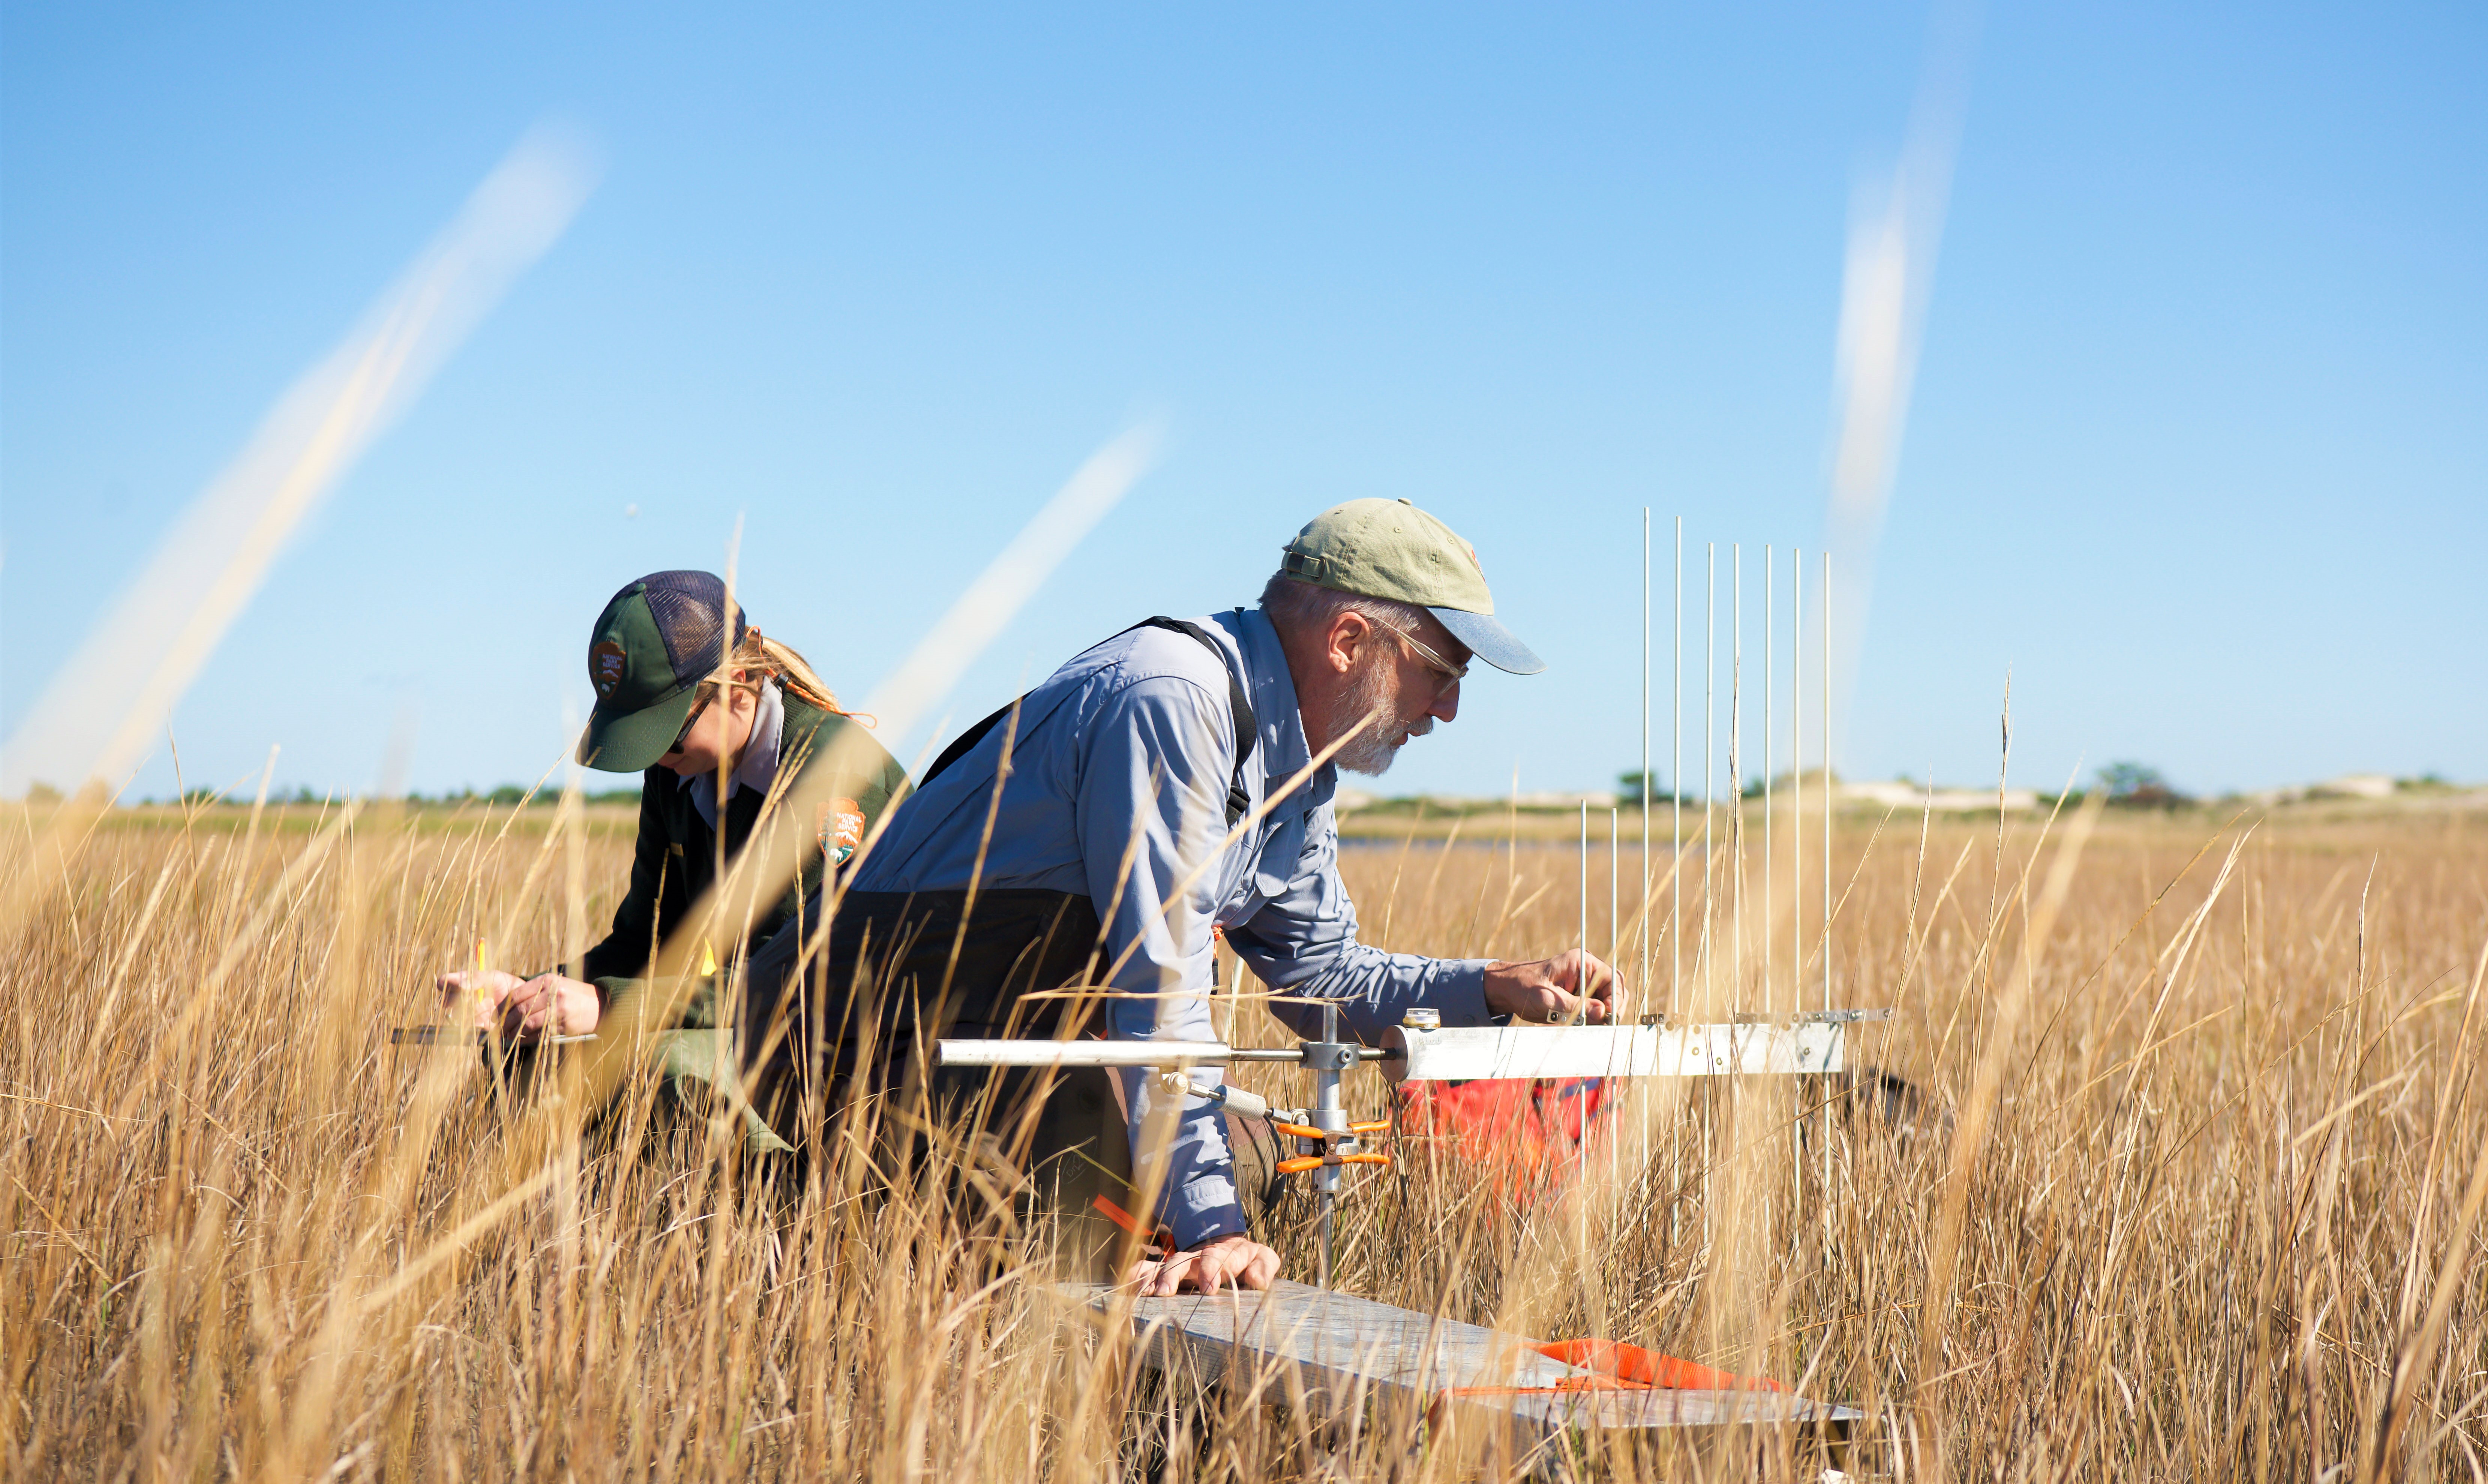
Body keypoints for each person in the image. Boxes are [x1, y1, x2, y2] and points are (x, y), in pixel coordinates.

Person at [739, 499, 1619, 1294]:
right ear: (1349, 640)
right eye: (1441, 668)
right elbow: (1158, 997)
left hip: (1001, 1045)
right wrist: (1218, 1233)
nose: (1451, 708)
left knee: (1124, 1237)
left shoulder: (1298, 769)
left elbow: (1322, 977)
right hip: (849, 1037)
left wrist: (1492, 987)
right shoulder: (1174, 700)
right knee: (1060, 1264)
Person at [439, 569, 909, 1037]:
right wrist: (524, 996)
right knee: (527, 1057)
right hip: (753, 1026)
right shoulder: (674, 771)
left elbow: (794, 983)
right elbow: (643, 945)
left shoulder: (837, 779)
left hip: (859, 1044)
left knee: (670, 1068)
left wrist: (609, 1006)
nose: (656, 758)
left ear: (738, 684)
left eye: (667, 733)